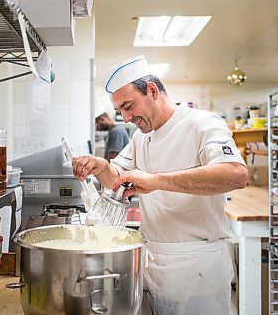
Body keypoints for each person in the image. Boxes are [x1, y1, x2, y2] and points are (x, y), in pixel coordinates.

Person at [72, 55, 248, 315]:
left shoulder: (202, 123)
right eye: (120, 110)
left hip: (199, 268)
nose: (126, 117)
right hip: (154, 264)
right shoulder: (142, 138)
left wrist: (156, 181)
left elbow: (236, 174)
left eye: (128, 106)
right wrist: (101, 167)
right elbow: (117, 178)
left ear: (152, 91)